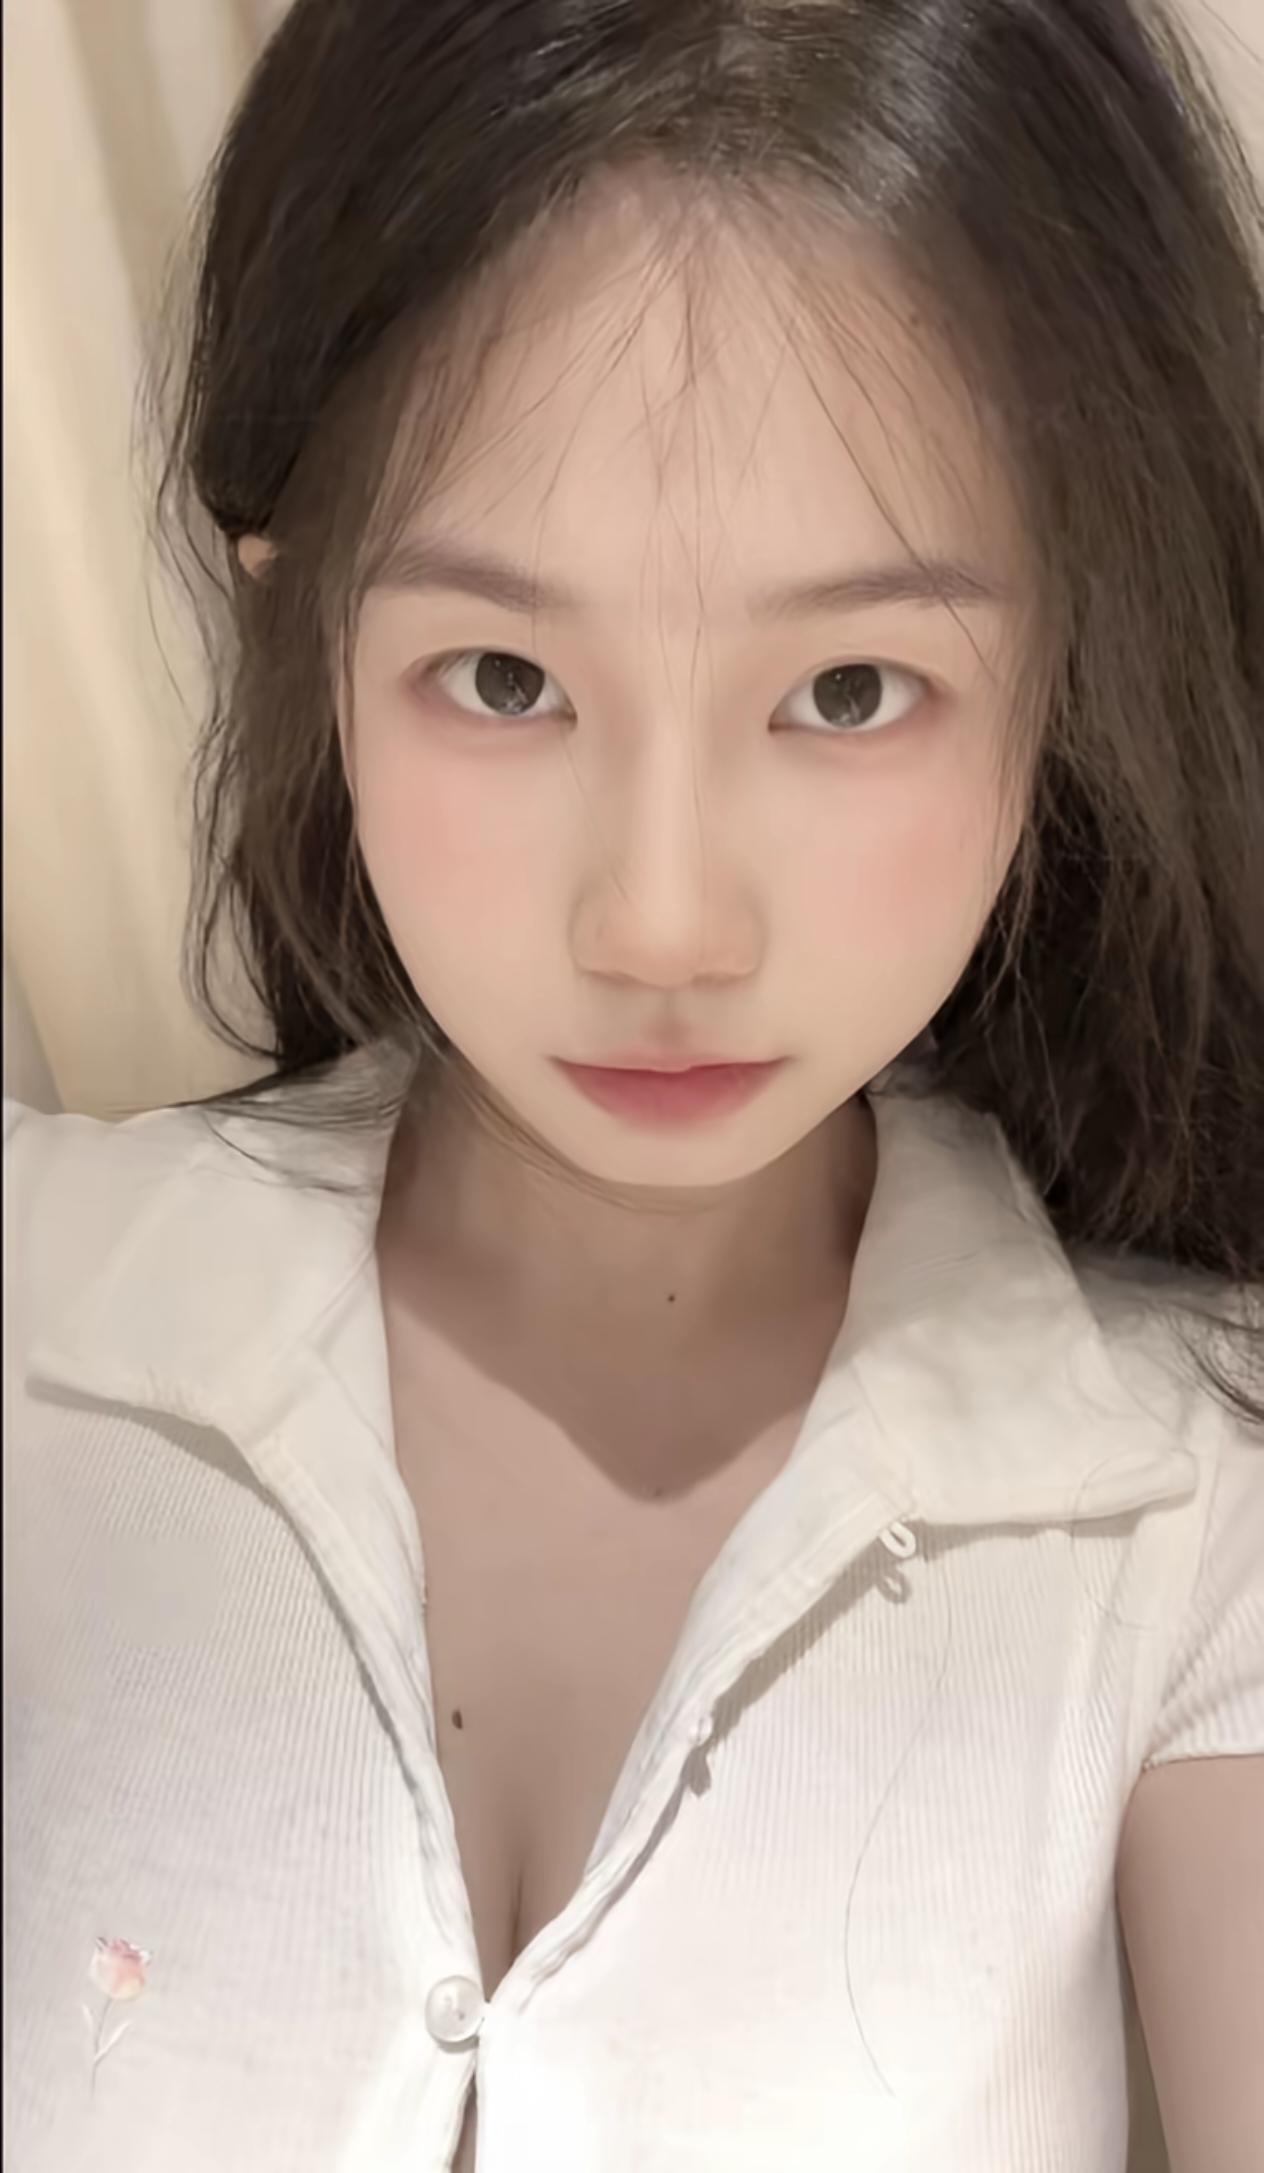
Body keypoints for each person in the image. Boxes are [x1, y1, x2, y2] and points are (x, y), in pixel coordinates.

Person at [4, 1, 1263, 2168]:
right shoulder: (42, 1313)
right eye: (503, 677)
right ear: (303, 633)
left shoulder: (1191, 1496)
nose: (662, 922)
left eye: (848, 690)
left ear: (1064, 663)